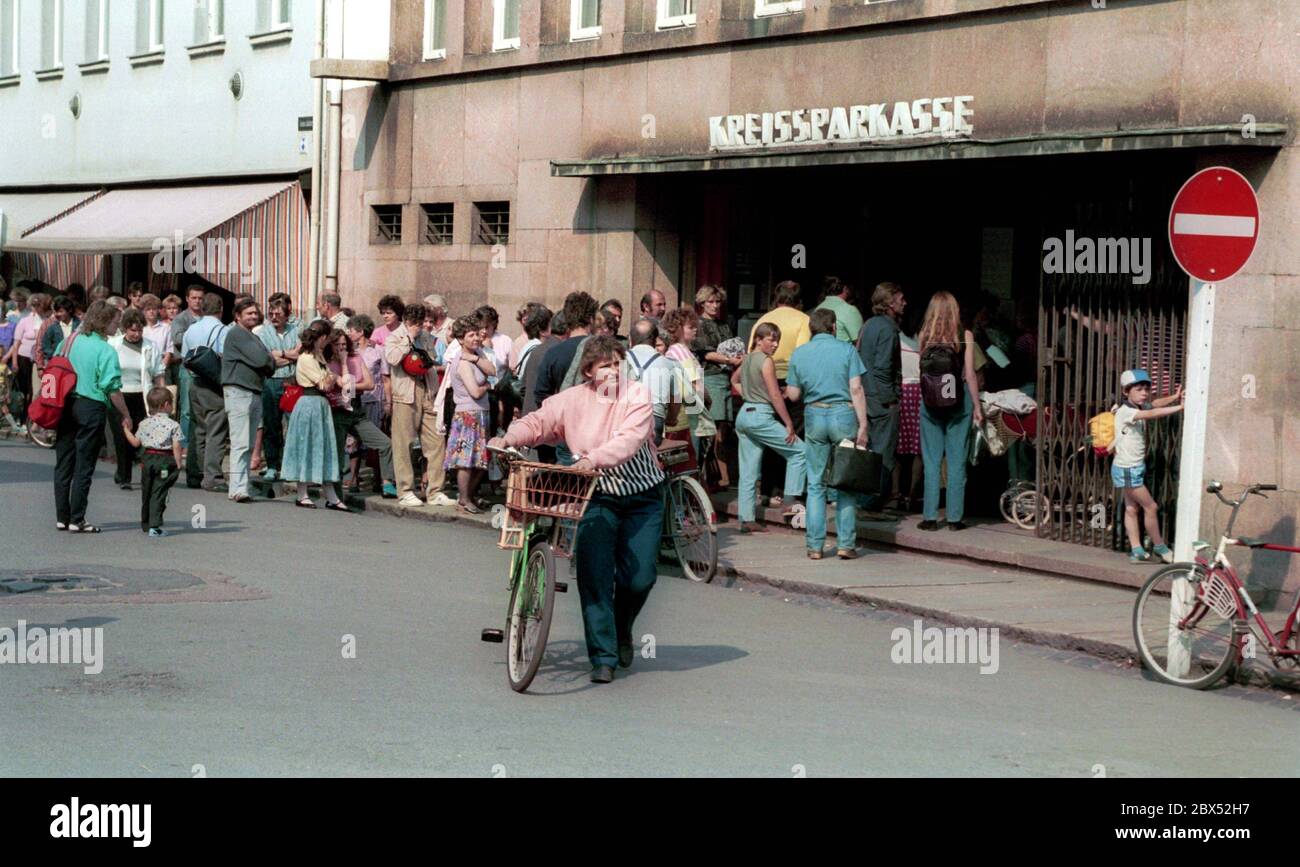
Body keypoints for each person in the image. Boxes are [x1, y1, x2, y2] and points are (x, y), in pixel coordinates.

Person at [492, 336, 666, 684]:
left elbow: (630, 439)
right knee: (595, 574)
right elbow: (538, 422)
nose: (615, 370)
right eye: (606, 365)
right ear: (589, 370)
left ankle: (621, 629)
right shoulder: (572, 400)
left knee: (641, 576)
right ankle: (603, 656)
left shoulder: (637, 394)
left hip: (642, 495)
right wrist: (508, 438)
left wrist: (593, 458)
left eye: (618, 363)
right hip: (595, 495)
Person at [786, 308, 869, 560]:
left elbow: (793, 394)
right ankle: (845, 544)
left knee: (815, 483)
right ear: (833, 327)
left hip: (814, 415)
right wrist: (863, 423)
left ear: (811, 329)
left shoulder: (800, 353)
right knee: (846, 481)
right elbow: (856, 389)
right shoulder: (846, 350)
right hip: (843, 415)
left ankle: (814, 546)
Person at [52, 301, 132, 534]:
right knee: (84, 464)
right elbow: (112, 387)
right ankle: (78, 519)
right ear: (104, 323)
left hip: (65, 403)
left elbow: (54, 366)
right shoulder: (105, 350)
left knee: (64, 462)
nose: (117, 327)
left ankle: (62, 516)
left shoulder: (69, 341)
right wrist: (125, 414)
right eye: (115, 323)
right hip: (91, 405)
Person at [916, 290, 984, 532]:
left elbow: (921, 372)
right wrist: (977, 406)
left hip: (930, 401)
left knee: (932, 460)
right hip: (959, 401)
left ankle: (930, 517)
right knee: (957, 460)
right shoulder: (964, 336)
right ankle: (955, 518)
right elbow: (970, 374)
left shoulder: (923, 336)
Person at [732, 322, 806, 534]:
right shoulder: (766, 361)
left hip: (745, 414)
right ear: (758, 339)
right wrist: (789, 423)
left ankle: (746, 519)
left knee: (748, 471)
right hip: (761, 416)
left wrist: (750, 394)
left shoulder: (746, 360)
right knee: (800, 451)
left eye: (777, 341)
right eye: (771, 339)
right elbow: (775, 395)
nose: (775, 345)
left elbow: (734, 380)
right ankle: (790, 501)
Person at [749, 280, 810, 507]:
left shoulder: (763, 320)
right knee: (791, 435)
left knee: (769, 436)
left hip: (763, 380)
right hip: (789, 382)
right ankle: (787, 489)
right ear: (798, 299)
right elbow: (801, 356)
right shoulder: (804, 320)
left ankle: (766, 489)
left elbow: (751, 353)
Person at [1112, 369, 1184, 563]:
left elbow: (1154, 404)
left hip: (1132, 467)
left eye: (1146, 389)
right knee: (1151, 507)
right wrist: (1179, 408)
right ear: (1127, 391)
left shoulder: (1135, 406)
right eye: (1139, 389)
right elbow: (1152, 413)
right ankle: (1160, 547)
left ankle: (1136, 549)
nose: (1144, 393)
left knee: (1131, 509)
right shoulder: (1126, 411)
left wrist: (1174, 398)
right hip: (1128, 469)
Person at [281, 320, 350, 511]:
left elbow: (333, 381)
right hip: (309, 403)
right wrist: (332, 378)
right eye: (327, 338)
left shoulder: (318, 355)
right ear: (322, 338)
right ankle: (302, 494)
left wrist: (333, 376)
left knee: (324, 447)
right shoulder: (306, 358)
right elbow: (325, 384)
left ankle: (331, 496)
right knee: (306, 446)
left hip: (320, 405)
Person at [384, 302, 448, 507]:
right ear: (405, 320)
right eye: (415, 323)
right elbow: (392, 359)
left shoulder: (427, 337)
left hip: (428, 391)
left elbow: (434, 358)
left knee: (436, 442)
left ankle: (436, 490)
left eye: (421, 323)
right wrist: (409, 339)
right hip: (405, 394)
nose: (419, 327)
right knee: (404, 444)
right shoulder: (394, 337)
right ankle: (405, 491)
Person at [328, 325, 394, 500]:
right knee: (339, 453)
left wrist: (350, 383)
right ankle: (335, 494)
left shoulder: (356, 357)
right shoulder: (328, 362)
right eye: (338, 345)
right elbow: (344, 386)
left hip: (356, 410)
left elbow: (370, 384)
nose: (342, 348)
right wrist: (343, 364)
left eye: (344, 344)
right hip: (339, 410)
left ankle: (388, 483)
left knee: (385, 443)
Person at [221, 298, 276, 503]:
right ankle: (237, 488)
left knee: (249, 442)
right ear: (237, 316)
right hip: (239, 392)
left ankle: (242, 485)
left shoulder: (252, 336)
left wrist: (269, 359)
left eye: (255, 313)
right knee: (240, 443)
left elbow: (268, 364)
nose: (253, 316)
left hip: (253, 391)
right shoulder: (236, 334)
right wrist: (269, 358)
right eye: (249, 313)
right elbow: (264, 360)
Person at [856, 282, 906, 508]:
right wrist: (891, 399)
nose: (905, 303)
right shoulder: (887, 329)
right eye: (901, 298)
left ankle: (866, 501)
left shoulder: (869, 325)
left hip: (867, 395)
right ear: (890, 303)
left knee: (870, 451)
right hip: (881, 399)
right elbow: (883, 367)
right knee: (883, 455)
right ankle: (869, 504)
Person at [444, 314, 496, 513]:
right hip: (468, 414)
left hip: (481, 413)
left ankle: (469, 496)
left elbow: (492, 370)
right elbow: (475, 391)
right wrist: (487, 387)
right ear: (460, 339)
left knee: (481, 460)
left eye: (477, 334)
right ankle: (464, 499)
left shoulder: (477, 354)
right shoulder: (462, 362)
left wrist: (476, 357)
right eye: (470, 335)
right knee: (466, 461)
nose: (476, 338)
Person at [107, 309, 165, 489]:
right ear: (125, 329)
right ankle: (124, 476)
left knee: (140, 437)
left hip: (142, 396)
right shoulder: (113, 344)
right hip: (119, 396)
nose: (136, 334)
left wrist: (162, 396)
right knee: (122, 437)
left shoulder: (150, 346)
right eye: (133, 330)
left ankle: (133, 470)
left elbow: (158, 373)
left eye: (139, 330)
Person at [180, 292, 230, 491]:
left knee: (198, 429)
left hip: (195, 382)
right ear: (221, 309)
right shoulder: (222, 330)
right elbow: (226, 357)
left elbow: (185, 357)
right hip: (214, 384)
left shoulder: (191, 329)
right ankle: (213, 477)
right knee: (216, 430)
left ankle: (194, 473)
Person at [692, 285, 739, 489]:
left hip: (725, 377)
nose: (714, 305)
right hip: (710, 377)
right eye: (710, 301)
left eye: (717, 301)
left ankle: (721, 476)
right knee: (714, 430)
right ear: (702, 303)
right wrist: (731, 360)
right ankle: (715, 476)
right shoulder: (699, 324)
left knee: (724, 429)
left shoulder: (724, 325)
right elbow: (706, 353)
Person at [120, 386, 183, 536]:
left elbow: (135, 443)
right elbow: (176, 446)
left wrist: (126, 430)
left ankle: (146, 523)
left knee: (147, 491)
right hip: (164, 460)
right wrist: (178, 463)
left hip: (147, 459)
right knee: (159, 491)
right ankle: (155, 526)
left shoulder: (144, 423)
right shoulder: (173, 425)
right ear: (166, 405)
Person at [346, 314, 396, 497]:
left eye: (351, 330)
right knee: (353, 442)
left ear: (361, 332)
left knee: (376, 441)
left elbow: (385, 378)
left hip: (374, 399)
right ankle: (353, 479)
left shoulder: (378, 350)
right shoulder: (349, 352)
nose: (349, 334)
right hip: (355, 400)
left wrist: (387, 403)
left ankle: (380, 480)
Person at [531, 291, 598, 415]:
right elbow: (610, 395)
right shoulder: (602, 352)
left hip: (562, 425)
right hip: (595, 425)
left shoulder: (552, 354)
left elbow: (541, 395)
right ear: (591, 319)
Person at [661, 306, 710, 463]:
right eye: (690, 326)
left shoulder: (674, 351)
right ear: (677, 329)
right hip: (687, 417)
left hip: (684, 415)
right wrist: (708, 401)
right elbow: (696, 386)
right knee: (689, 463)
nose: (695, 329)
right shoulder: (681, 352)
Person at [624, 318, 680, 445]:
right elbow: (675, 400)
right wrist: (671, 419)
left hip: (623, 419)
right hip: (654, 421)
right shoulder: (669, 364)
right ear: (655, 341)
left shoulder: (618, 360)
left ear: (630, 340)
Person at [168, 285, 207, 455]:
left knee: (204, 407)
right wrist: (198, 335)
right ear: (187, 299)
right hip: (188, 366)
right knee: (186, 408)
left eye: (200, 298)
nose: (197, 301)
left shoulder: (207, 317)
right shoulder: (181, 318)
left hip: (206, 367)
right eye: (194, 298)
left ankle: (200, 442)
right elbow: (177, 339)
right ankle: (184, 443)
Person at [4, 292, 50, 420]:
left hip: (38, 358)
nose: (35, 307)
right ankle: (22, 415)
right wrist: (14, 362)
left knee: (35, 388)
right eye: (33, 305)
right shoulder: (24, 321)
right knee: (24, 388)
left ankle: (32, 415)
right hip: (23, 357)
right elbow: (16, 343)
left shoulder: (46, 321)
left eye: (37, 305)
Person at [814, 276, 864, 344]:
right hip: (843, 353)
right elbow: (861, 341)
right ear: (845, 289)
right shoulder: (849, 310)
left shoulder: (818, 309)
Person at [37, 296, 79, 371]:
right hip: (59, 365)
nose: (57, 314)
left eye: (61, 311)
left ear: (69, 310)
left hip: (76, 364)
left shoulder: (79, 326)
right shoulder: (53, 327)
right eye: (56, 311)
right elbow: (45, 345)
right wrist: (55, 356)